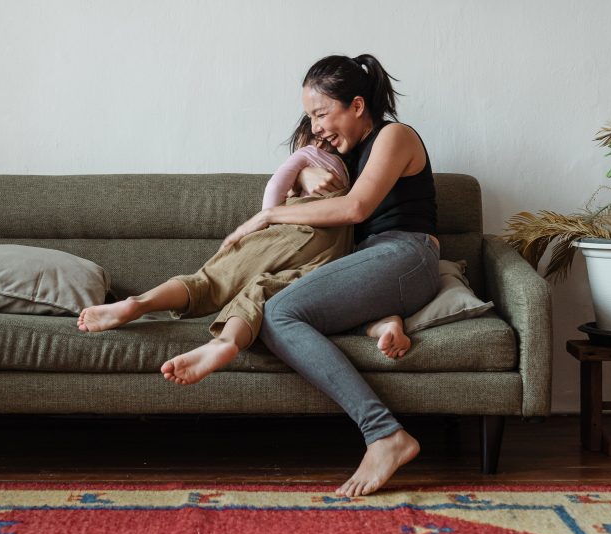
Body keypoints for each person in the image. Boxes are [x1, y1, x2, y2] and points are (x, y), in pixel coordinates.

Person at [220, 54, 441, 498]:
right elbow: (313, 176)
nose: (316, 125)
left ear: (357, 105)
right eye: (310, 116)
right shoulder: (346, 152)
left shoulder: (394, 136)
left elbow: (356, 208)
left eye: (322, 113)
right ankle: (381, 319)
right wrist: (304, 171)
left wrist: (267, 218)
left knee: (279, 313)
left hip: (405, 253)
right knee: (280, 304)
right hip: (367, 261)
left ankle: (385, 435)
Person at [76, 119, 414, 385]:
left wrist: (269, 218)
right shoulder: (355, 170)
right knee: (263, 291)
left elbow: (275, 186)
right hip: (332, 253)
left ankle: (140, 303)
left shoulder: (306, 156)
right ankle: (226, 343)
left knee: (209, 281)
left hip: (295, 233)